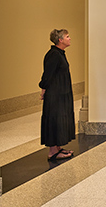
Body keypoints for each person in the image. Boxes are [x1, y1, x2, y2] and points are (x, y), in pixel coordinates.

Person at [40, 28, 75, 160]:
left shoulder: (60, 53)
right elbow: (47, 74)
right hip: (55, 94)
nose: (69, 38)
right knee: (54, 119)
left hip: (61, 93)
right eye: (67, 36)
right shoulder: (53, 54)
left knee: (60, 119)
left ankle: (58, 148)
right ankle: (53, 151)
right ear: (60, 40)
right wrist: (43, 88)